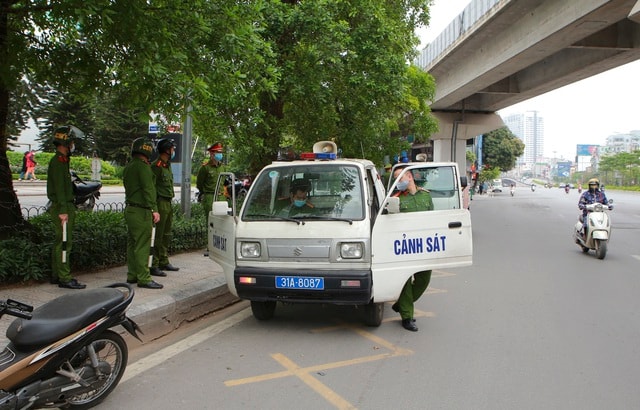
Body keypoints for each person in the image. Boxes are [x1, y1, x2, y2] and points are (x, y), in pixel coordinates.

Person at [390, 166, 434, 332]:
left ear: (409, 176)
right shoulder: (396, 198)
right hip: (405, 246)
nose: (397, 182)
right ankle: (407, 317)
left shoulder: (426, 195)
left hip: (424, 245)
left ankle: (401, 305)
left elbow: (433, 218)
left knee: (424, 280)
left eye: (399, 178)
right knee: (405, 282)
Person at [47, 126, 86, 289]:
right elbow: (60, 189)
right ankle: (64, 277)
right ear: (66, 142)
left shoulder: (62, 161)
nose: (73, 145)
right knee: (64, 242)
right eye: (71, 142)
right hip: (62, 207)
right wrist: (63, 210)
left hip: (63, 206)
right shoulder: (58, 162)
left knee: (60, 241)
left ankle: (57, 274)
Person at [123, 138, 163, 289]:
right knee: (142, 245)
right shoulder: (143, 167)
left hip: (130, 209)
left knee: (132, 243)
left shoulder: (129, 166)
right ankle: (144, 277)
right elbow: (148, 189)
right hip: (142, 211)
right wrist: (154, 209)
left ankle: (132, 274)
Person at [150, 138, 179, 276]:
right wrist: (154, 208)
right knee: (158, 235)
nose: (174, 151)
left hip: (168, 202)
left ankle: (164, 260)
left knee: (166, 234)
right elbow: (153, 188)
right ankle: (154, 264)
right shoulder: (157, 166)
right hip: (160, 203)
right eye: (172, 149)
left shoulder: (167, 165)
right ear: (167, 150)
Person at [196, 142, 225, 256]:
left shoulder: (222, 166)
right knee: (211, 222)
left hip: (221, 196)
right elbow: (199, 184)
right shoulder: (205, 168)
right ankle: (210, 246)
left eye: (220, 152)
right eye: (217, 152)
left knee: (222, 222)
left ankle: (220, 247)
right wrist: (205, 192)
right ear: (211, 154)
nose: (219, 154)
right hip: (210, 196)